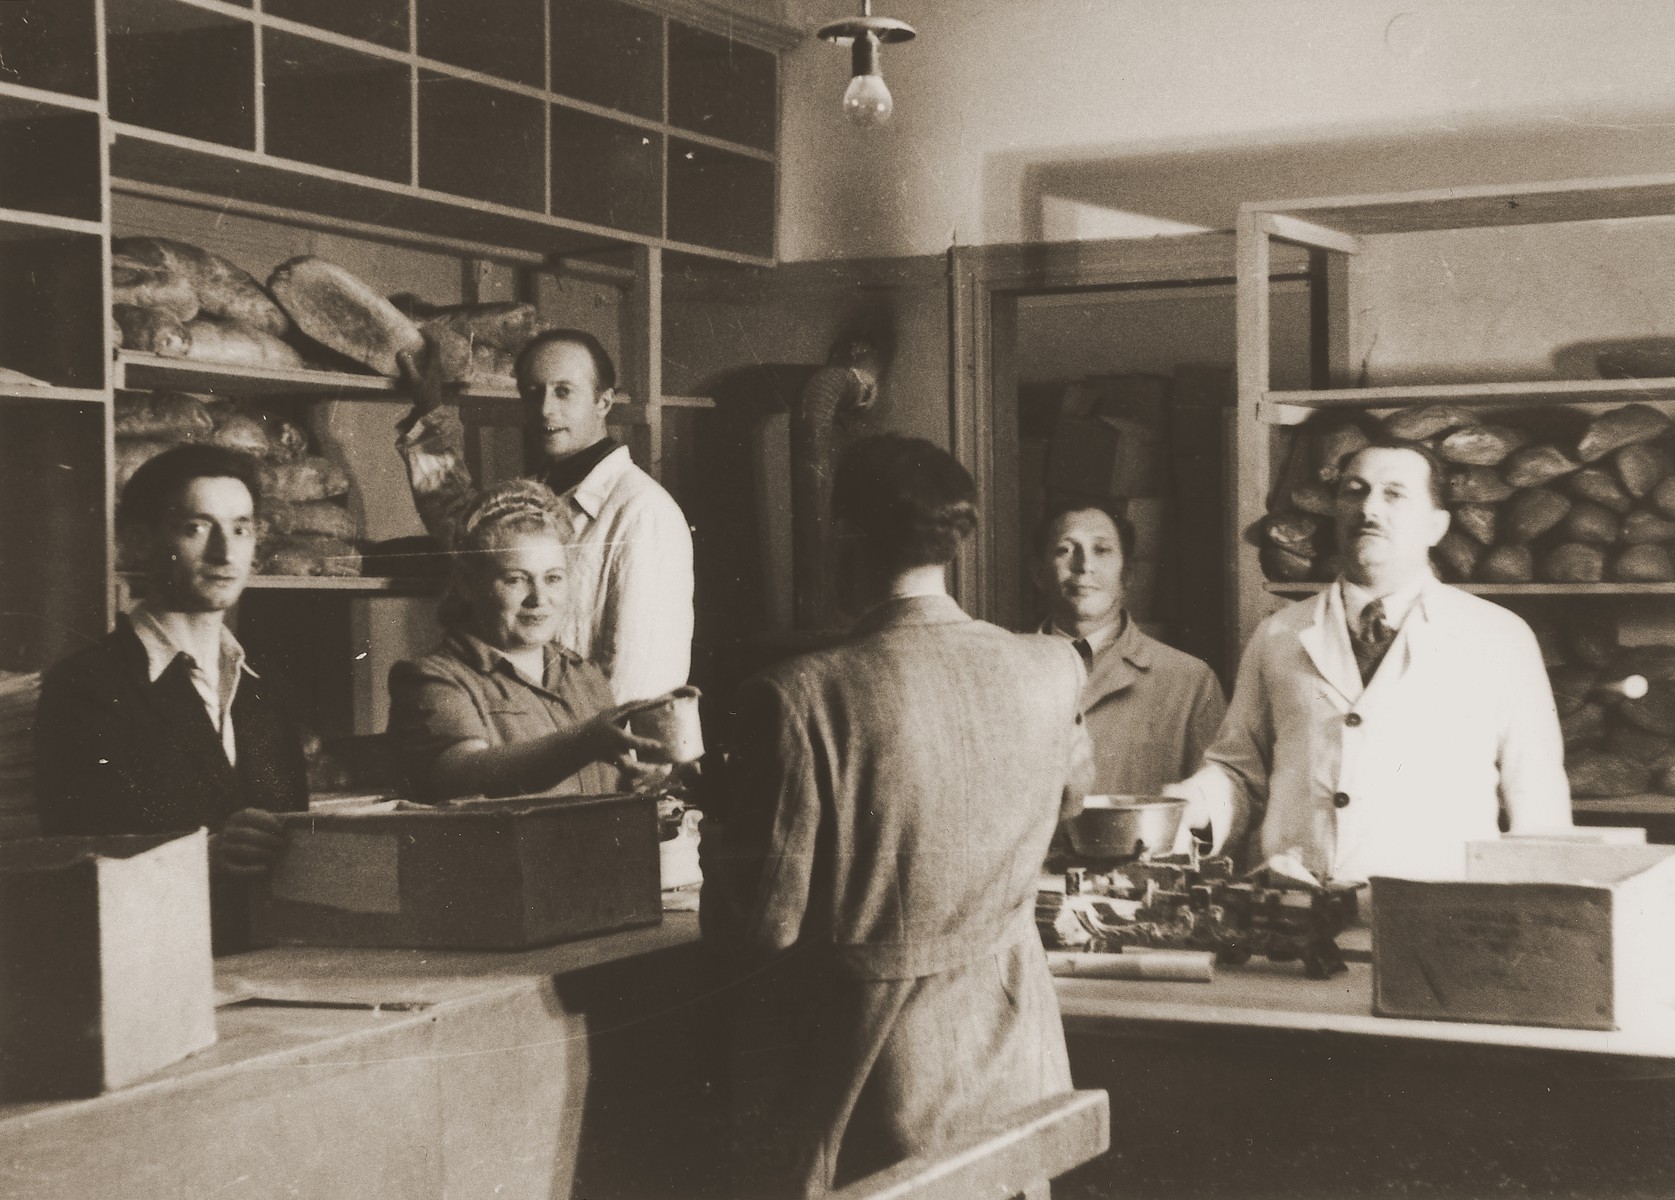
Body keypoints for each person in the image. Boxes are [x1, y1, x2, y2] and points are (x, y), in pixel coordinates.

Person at [709, 434, 1092, 1196]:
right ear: (956, 538)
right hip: (1016, 1060)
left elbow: (764, 924)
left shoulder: (799, 694)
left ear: (841, 535)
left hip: (871, 1077)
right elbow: (1067, 803)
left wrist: (718, 823)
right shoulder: (1053, 667)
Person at [1166, 439, 1571, 883]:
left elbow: (1538, 800)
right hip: (1299, 907)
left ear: (1437, 526)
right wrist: (1197, 803)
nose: (1369, 508)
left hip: (1437, 913)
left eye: (1393, 493)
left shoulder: (1498, 638)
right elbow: (1239, 769)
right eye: (1354, 492)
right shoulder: (1279, 635)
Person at [33, 444, 306, 953]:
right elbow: (68, 862)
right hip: (148, 973)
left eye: (241, 528)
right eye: (197, 527)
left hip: (273, 965)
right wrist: (203, 857)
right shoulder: (86, 689)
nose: (225, 553)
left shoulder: (265, 691)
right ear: (139, 543)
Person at [398, 328, 694, 703]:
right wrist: (429, 415)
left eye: (563, 392)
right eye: (533, 393)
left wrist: (581, 754)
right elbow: (464, 530)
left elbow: (641, 685)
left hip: (600, 752)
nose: (545, 410)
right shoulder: (534, 497)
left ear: (604, 402)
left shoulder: (643, 512)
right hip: (530, 743)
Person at [385, 478, 669, 802]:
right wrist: (585, 742)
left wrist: (647, 784)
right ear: (466, 583)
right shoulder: (432, 679)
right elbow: (464, 773)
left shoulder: (583, 675)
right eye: (516, 579)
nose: (539, 598)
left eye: (553, 578)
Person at [1033, 497, 1226, 795]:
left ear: (1128, 575)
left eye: (1102, 550)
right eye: (1065, 550)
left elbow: (1215, 813)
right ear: (1038, 573)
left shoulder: (1190, 683)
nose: (1084, 566)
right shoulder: (1002, 674)